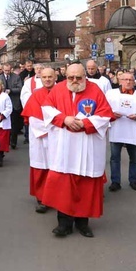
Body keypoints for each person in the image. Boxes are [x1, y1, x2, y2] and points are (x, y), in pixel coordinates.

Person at [41, 63, 113, 238]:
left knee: (85, 186)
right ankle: (63, 224)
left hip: (87, 145)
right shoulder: (57, 90)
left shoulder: (95, 90)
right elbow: (47, 109)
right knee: (64, 186)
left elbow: (105, 114)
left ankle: (83, 223)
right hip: (64, 146)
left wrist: (85, 123)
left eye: (78, 77)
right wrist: (64, 119)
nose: (74, 81)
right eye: (70, 77)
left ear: (85, 77)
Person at [106, 72, 136, 192]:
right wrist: (111, 114)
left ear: (134, 82)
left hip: (133, 130)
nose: (128, 82)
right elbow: (103, 108)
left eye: (131, 80)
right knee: (114, 158)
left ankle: (133, 180)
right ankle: (115, 181)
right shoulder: (110, 94)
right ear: (119, 80)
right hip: (116, 129)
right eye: (125, 79)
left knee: (134, 158)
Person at [21, 67, 56, 213]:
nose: (47, 79)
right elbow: (34, 119)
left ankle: (55, 197)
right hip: (41, 139)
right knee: (41, 168)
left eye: (50, 77)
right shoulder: (36, 95)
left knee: (57, 169)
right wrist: (54, 129)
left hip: (59, 138)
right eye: (44, 77)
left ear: (55, 77)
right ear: (40, 78)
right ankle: (42, 198)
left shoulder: (62, 92)